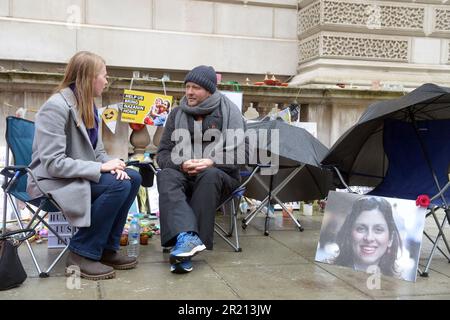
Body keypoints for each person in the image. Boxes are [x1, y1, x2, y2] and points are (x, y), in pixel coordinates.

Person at [27, 51, 142, 281]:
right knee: (117, 186)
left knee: (132, 178)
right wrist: (100, 169)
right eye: (104, 75)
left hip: (75, 176)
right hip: (50, 182)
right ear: (89, 78)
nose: (107, 81)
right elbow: (53, 163)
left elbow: (97, 152)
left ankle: (107, 250)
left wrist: (111, 165)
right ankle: (81, 252)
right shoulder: (56, 107)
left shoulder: (87, 105)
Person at [157, 65, 245, 274]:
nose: (189, 92)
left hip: (221, 177)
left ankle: (187, 240)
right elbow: (163, 154)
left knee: (209, 173)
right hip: (184, 174)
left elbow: (243, 154)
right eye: (187, 86)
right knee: (166, 175)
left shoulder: (229, 112)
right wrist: (181, 164)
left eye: (195, 87)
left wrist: (212, 161)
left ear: (209, 90)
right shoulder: (177, 113)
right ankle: (186, 241)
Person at [334, 196, 402, 278]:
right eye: (361, 229)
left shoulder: (398, 282)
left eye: (378, 229)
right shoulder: (329, 270)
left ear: (390, 238)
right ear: (349, 234)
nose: (369, 238)